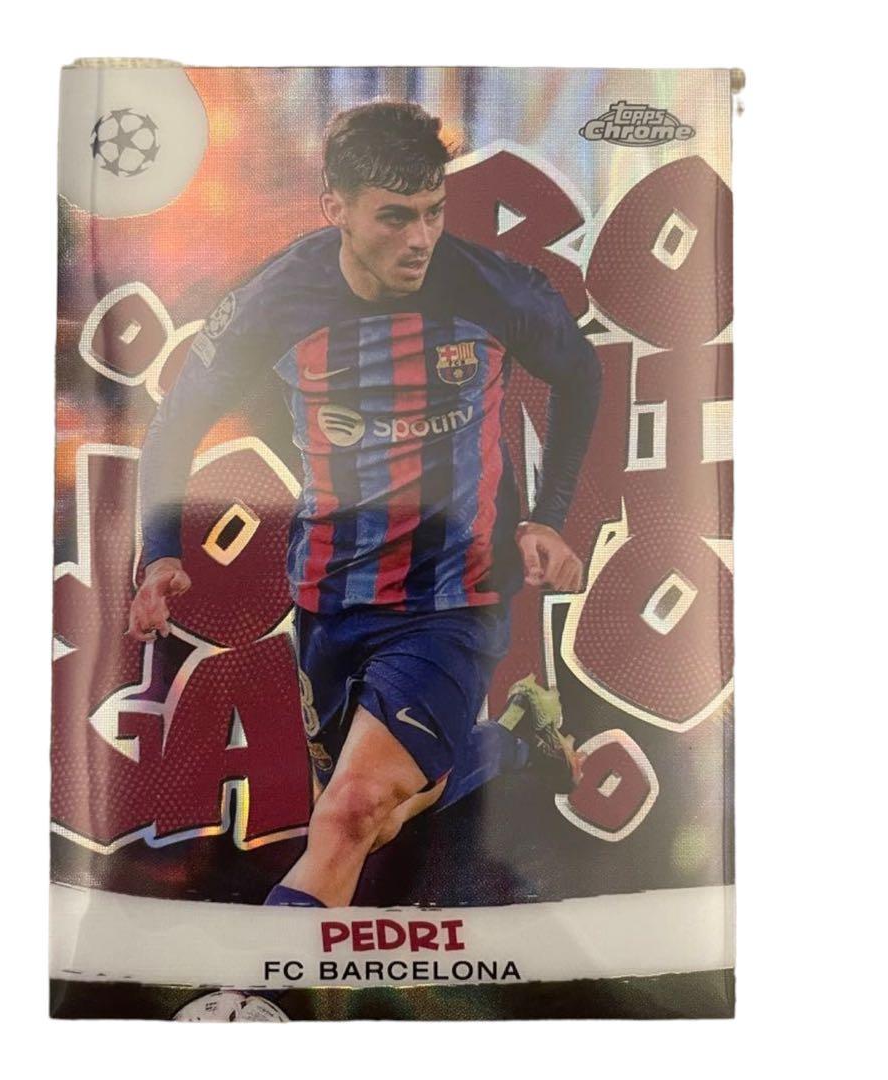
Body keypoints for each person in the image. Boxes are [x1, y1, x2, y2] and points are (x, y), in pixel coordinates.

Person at [128, 101, 600, 909]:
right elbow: (179, 419)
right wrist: (162, 549)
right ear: (336, 209)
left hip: (456, 596)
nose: (421, 238)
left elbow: (581, 376)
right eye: (395, 217)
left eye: (432, 212)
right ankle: (514, 742)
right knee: (373, 813)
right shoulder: (277, 299)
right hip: (332, 598)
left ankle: (265, 979)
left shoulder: (491, 288)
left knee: (348, 815)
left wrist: (549, 516)